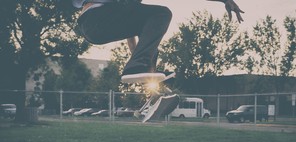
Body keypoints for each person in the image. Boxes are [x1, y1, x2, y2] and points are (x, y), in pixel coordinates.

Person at [73, 0, 244, 81]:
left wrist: (138, 61)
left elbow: (130, 31)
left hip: (93, 28)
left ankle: (151, 89)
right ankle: (139, 68)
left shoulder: (125, 8)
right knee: (161, 14)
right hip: (97, 18)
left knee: (149, 35)